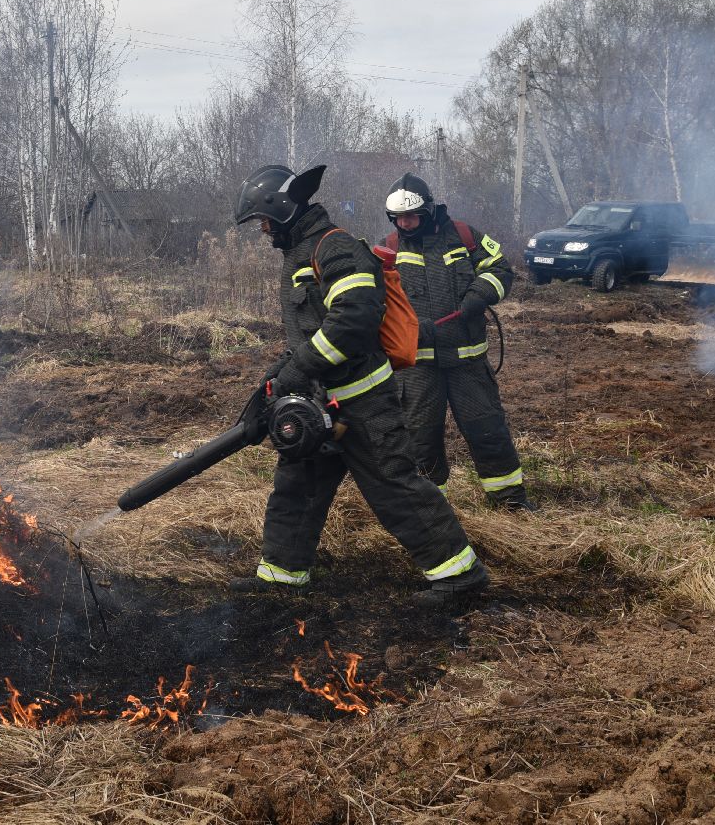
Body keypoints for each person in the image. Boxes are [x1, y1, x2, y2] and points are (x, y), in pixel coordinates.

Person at [230, 163, 488, 605]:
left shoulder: (335, 248)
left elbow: (353, 320)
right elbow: (311, 330)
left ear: (285, 209)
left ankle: (460, 575)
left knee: (394, 486)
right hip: (318, 404)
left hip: (363, 402)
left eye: (265, 220)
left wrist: (300, 369)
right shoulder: (301, 252)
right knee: (297, 486)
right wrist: (280, 374)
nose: (264, 229)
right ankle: (281, 577)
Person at [383, 173, 536, 510]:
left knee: (488, 430)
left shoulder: (464, 236)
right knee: (419, 439)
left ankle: (510, 501)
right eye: (398, 218)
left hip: (468, 363)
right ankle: (430, 509)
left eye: (411, 217)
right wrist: (405, 328)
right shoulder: (388, 249)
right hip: (417, 368)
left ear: (428, 211)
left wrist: (480, 293)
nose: (405, 224)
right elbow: (376, 301)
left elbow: (500, 268)